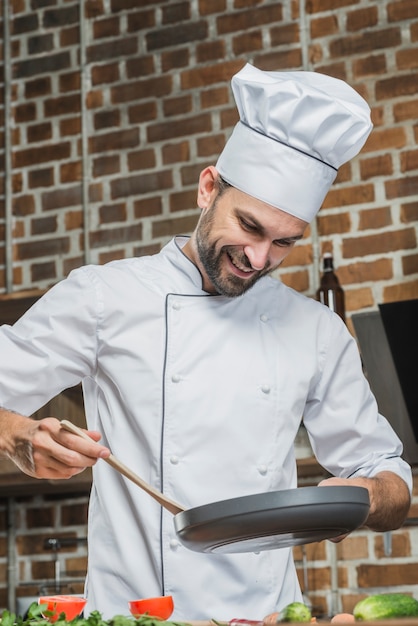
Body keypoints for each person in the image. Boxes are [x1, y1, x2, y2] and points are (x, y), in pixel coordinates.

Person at [0, 64, 411, 620]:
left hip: (266, 615)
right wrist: (17, 433)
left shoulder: (314, 330)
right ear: (208, 187)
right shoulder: (105, 296)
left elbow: (387, 474)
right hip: (137, 616)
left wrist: (364, 499)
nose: (260, 259)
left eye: (284, 243)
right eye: (249, 227)